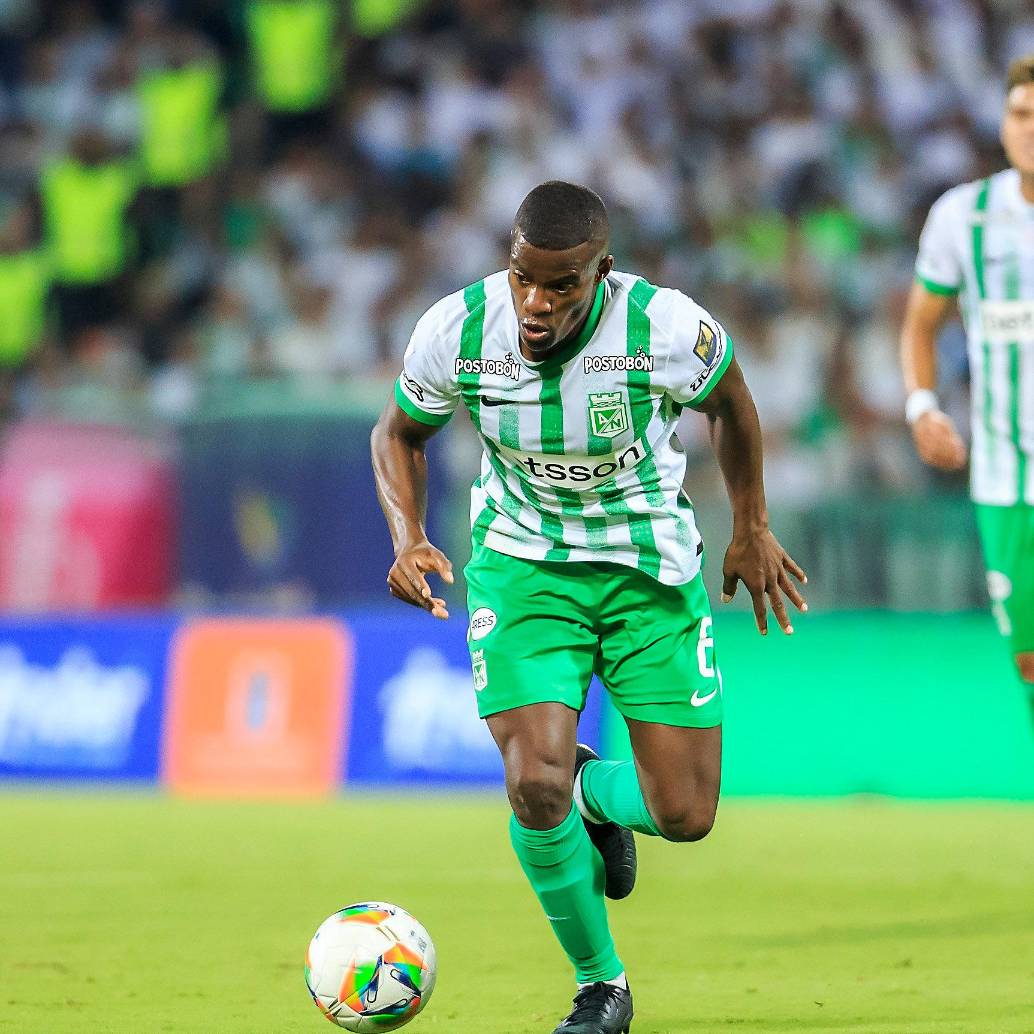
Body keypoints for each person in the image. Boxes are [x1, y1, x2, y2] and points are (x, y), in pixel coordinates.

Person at [371, 181, 808, 1034]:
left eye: (561, 285)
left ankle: (595, 793)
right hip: (523, 569)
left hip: (648, 569)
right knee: (531, 785)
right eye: (523, 277)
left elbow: (733, 403)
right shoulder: (456, 329)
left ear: (600, 273)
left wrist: (751, 526)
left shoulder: (665, 327)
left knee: (686, 814)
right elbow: (398, 431)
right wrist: (407, 535)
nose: (536, 303)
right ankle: (600, 985)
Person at [900, 57, 1034, 724]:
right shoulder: (965, 217)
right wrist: (922, 406)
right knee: (1029, 661)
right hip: (1007, 478)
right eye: (1020, 115)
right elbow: (921, 325)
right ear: (1004, 125)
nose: (1030, 129)